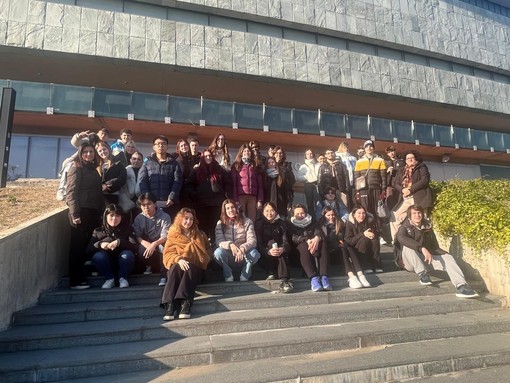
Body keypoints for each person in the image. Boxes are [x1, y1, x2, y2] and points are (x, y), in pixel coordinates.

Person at [394, 205, 479, 298]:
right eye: (414, 213)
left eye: (419, 213)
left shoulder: (427, 227)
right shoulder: (404, 227)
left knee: (447, 257)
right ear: (409, 216)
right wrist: (422, 248)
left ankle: (461, 286)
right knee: (409, 247)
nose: (417, 215)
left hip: (425, 259)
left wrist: (445, 255)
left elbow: (434, 247)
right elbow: (402, 239)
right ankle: (423, 274)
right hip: (409, 262)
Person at [161, 208, 212, 321]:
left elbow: (208, 249)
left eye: (191, 219)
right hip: (178, 271)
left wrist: (206, 257)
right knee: (175, 267)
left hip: (196, 270)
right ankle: (170, 305)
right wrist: (179, 259)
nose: (188, 221)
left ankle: (185, 303)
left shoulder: (200, 234)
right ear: (180, 219)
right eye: (186, 218)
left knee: (191, 268)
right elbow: (167, 254)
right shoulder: (173, 235)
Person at [65, 143, 104, 289]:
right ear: (81, 153)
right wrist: (75, 213)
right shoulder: (76, 167)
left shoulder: (93, 170)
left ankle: (84, 275)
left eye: (91, 152)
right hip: (81, 212)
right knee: (77, 247)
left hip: (93, 212)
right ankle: (75, 280)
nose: (89, 154)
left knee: (87, 246)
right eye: (86, 152)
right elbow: (71, 192)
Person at [318, 206, 370, 289]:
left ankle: (360, 274)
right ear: (324, 216)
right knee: (344, 247)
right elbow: (324, 242)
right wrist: (337, 244)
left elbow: (345, 237)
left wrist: (342, 242)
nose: (331, 217)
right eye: (328, 215)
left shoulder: (340, 223)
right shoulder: (321, 226)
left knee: (347, 246)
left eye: (333, 215)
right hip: (329, 253)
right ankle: (351, 276)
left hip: (341, 250)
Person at [185, 149, 232, 241]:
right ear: (202, 158)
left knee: (216, 227)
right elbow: (188, 184)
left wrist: (226, 195)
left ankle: (216, 246)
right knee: (203, 228)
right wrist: (195, 194)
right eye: (206, 156)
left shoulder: (219, 169)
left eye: (210, 156)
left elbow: (228, 183)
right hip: (201, 204)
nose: (208, 158)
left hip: (217, 203)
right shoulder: (197, 170)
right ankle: (204, 247)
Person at [87, 204, 137, 289]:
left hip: (124, 264)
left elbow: (134, 247)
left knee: (127, 254)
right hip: (106, 264)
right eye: (111, 215)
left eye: (117, 216)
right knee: (99, 256)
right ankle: (109, 279)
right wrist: (100, 244)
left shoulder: (128, 229)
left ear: (121, 217)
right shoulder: (98, 231)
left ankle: (123, 278)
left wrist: (119, 242)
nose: (114, 218)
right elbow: (89, 250)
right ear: (105, 216)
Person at [390, 150, 433, 241]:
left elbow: (424, 180)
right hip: (406, 198)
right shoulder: (402, 170)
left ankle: (425, 243)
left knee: (422, 220)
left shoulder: (422, 167)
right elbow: (395, 183)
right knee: (394, 216)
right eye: (407, 158)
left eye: (412, 158)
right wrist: (402, 190)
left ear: (416, 159)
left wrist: (410, 189)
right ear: (405, 160)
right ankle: (398, 241)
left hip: (420, 198)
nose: (410, 160)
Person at [213, 199, 260, 282]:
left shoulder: (247, 222)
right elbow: (219, 241)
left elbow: (252, 240)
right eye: (227, 208)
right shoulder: (220, 223)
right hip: (229, 256)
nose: (230, 210)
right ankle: (228, 275)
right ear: (224, 211)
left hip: (244, 256)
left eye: (232, 207)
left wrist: (242, 248)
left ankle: (245, 275)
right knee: (218, 252)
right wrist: (231, 245)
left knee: (254, 253)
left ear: (236, 208)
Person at [287, 204, 330, 292]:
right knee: (303, 246)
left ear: (306, 213)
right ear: (293, 214)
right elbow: (293, 237)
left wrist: (317, 238)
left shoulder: (312, 221)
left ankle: (324, 276)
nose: (300, 215)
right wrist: (307, 240)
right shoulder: (289, 223)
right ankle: (313, 278)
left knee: (323, 242)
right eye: (297, 214)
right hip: (298, 251)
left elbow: (319, 231)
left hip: (313, 246)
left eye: (302, 213)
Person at [132, 192, 171, 286]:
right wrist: (146, 244)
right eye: (143, 205)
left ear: (155, 204)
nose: (146, 207)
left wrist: (154, 244)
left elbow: (165, 236)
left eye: (149, 204)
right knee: (141, 250)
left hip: (161, 241)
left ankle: (163, 276)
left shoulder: (165, 216)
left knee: (164, 248)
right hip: (147, 241)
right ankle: (149, 265)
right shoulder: (138, 218)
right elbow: (137, 236)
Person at [139, 135, 183, 218]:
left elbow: (177, 182)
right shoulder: (147, 163)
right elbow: (143, 181)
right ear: (154, 147)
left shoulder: (174, 163)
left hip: (169, 204)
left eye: (163, 144)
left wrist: (172, 198)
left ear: (167, 147)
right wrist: (148, 199)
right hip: (151, 204)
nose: (161, 146)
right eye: (158, 144)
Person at [254, 202, 293, 293]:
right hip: (264, 258)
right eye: (267, 211)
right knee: (271, 243)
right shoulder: (259, 223)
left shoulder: (281, 223)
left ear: (275, 212)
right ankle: (270, 271)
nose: (269, 213)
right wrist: (267, 251)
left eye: (272, 210)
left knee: (280, 250)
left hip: (280, 258)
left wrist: (282, 249)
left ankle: (285, 281)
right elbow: (258, 244)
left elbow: (286, 242)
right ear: (263, 212)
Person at [353, 140, 387, 230]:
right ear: (364, 149)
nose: (369, 148)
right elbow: (356, 177)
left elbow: (383, 177)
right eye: (367, 146)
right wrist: (357, 191)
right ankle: (367, 229)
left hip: (376, 188)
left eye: (371, 146)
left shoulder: (380, 160)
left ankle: (378, 232)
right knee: (365, 209)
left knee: (377, 210)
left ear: (374, 148)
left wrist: (383, 190)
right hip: (363, 189)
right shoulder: (359, 161)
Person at [344, 205, 383, 274]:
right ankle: (365, 265)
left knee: (375, 240)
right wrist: (363, 234)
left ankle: (377, 264)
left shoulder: (369, 221)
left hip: (369, 246)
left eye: (363, 213)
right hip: (356, 248)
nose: (362, 215)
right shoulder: (349, 224)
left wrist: (373, 233)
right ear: (354, 215)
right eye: (359, 213)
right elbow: (349, 240)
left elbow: (376, 232)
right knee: (365, 239)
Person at [231, 143, 264, 222]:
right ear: (241, 153)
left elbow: (260, 185)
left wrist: (260, 200)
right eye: (245, 151)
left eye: (248, 151)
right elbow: (234, 184)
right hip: (240, 196)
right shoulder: (236, 165)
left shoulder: (256, 165)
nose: (247, 153)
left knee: (252, 220)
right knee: (240, 219)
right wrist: (235, 200)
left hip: (253, 197)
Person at [95, 141, 127, 206]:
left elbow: (122, 178)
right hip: (99, 196)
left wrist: (107, 185)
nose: (103, 152)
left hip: (113, 195)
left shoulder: (118, 162)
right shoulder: (96, 165)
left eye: (104, 149)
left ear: (108, 149)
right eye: (100, 151)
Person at [118, 151, 145, 217]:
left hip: (142, 200)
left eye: (139, 159)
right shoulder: (125, 171)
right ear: (130, 160)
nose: (136, 161)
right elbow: (121, 187)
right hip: (128, 200)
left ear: (142, 161)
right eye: (134, 159)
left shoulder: (146, 171)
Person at [335, 141, 357, 210]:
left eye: (347, 147)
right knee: (344, 200)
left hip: (352, 181)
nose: (346, 148)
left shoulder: (353, 158)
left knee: (353, 199)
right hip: (343, 181)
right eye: (344, 147)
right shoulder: (338, 157)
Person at [297, 149, 320, 214]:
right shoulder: (303, 166)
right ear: (305, 155)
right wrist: (307, 176)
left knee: (318, 203)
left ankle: (319, 219)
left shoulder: (318, 165)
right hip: (308, 185)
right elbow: (299, 178)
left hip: (317, 185)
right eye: (307, 154)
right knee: (309, 203)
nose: (309, 155)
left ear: (313, 155)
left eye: (311, 153)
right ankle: (311, 219)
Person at [174, 139, 193, 208]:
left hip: (190, 190)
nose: (184, 147)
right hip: (180, 190)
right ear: (178, 148)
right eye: (181, 146)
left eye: (185, 145)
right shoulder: (177, 160)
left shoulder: (192, 159)